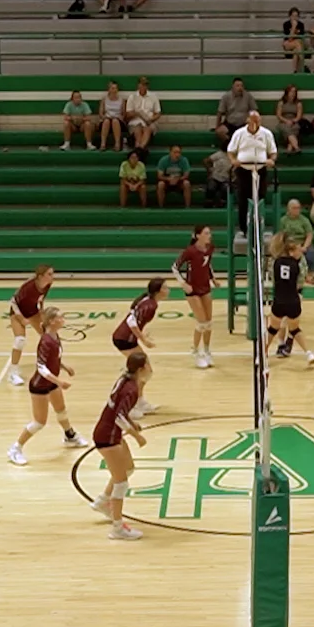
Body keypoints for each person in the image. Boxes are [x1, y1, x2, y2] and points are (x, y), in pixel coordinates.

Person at [7, 307, 93, 463]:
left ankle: (70, 436)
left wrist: (64, 367)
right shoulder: (46, 341)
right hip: (40, 386)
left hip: (51, 382)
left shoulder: (54, 336)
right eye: (60, 317)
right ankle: (15, 448)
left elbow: (53, 359)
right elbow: (41, 367)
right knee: (39, 422)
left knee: (61, 411)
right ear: (52, 321)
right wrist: (59, 382)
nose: (63, 319)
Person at [89, 349, 151, 540]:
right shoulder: (132, 389)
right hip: (107, 436)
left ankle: (102, 501)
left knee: (128, 468)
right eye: (148, 365)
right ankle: (118, 528)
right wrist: (137, 436)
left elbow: (118, 410)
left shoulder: (124, 379)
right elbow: (119, 418)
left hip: (109, 431)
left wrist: (132, 423)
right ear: (141, 369)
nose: (150, 368)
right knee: (121, 482)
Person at [111, 278, 167, 416]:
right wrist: (144, 340)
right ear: (158, 291)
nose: (168, 290)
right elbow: (131, 321)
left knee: (145, 371)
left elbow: (134, 317)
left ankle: (139, 401)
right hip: (124, 339)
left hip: (126, 338)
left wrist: (142, 334)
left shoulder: (148, 301)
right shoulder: (150, 305)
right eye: (165, 288)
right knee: (143, 371)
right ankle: (130, 406)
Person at [265, 238, 314, 366]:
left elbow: (273, 278)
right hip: (293, 301)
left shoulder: (276, 262)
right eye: (298, 249)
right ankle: (308, 353)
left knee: (272, 329)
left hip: (279, 300)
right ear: (291, 251)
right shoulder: (296, 265)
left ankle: (262, 353)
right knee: (295, 329)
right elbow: (299, 282)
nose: (301, 252)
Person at [229, 110, 277, 240]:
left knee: (260, 198)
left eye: (258, 120)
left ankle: (259, 227)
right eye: (253, 120)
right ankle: (244, 229)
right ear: (248, 120)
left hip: (260, 169)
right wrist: (233, 161)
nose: (256, 123)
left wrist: (271, 160)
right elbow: (231, 151)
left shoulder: (267, 134)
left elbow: (273, 152)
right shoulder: (239, 133)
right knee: (243, 199)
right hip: (244, 170)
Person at [175, 226, 217, 368]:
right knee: (202, 322)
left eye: (209, 233)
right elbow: (174, 267)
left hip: (205, 287)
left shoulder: (210, 248)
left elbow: (208, 264)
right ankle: (195, 351)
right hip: (192, 290)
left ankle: (207, 351)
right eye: (206, 233)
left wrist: (213, 278)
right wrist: (183, 283)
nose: (209, 235)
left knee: (209, 322)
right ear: (198, 236)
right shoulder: (190, 251)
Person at [6, 264, 54, 386]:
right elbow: (13, 301)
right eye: (49, 274)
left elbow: (41, 299)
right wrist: (21, 318)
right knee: (20, 340)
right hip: (18, 312)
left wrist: (41, 311)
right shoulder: (29, 287)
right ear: (40, 276)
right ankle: (13, 373)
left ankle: (47, 364)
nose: (52, 276)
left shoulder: (47, 285)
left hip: (32, 311)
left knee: (47, 336)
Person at [277, 197, 314, 277]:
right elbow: (281, 235)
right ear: (289, 209)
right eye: (294, 208)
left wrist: (304, 246)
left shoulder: (304, 220)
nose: (297, 210)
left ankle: (309, 275)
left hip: (302, 243)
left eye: (298, 208)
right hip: (289, 244)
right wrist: (287, 245)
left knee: (310, 255)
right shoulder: (283, 220)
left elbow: (309, 235)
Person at [215, 78, 260, 144]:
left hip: (244, 124)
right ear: (233, 87)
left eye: (241, 86)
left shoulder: (248, 96)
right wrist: (217, 126)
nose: (240, 88)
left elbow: (255, 111)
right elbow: (220, 112)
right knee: (219, 131)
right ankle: (230, 144)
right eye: (237, 86)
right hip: (230, 123)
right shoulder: (226, 97)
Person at [125, 76, 162, 149]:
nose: (144, 87)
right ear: (138, 85)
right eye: (142, 84)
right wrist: (138, 113)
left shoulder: (153, 97)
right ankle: (139, 148)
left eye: (145, 85)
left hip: (149, 121)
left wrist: (151, 119)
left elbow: (158, 113)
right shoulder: (132, 97)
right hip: (135, 121)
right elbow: (128, 113)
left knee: (147, 129)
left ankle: (139, 148)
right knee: (137, 129)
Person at [276, 84, 304, 154]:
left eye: (294, 92)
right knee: (285, 128)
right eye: (291, 92)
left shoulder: (298, 104)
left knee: (295, 128)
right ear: (287, 92)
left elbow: (299, 116)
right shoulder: (281, 103)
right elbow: (279, 115)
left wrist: (293, 121)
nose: (293, 94)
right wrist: (286, 121)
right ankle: (296, 147)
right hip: (283, 121)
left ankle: (290, 148)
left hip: (294, 122)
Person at [98, 80, 126, 151]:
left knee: (115, 121)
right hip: (106, 119)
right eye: (112, 88)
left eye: (116, 88)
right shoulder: (104, 100)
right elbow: (101, 113)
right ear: (109, 89)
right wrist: (104, 117)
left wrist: (120, 117)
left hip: (118, 121)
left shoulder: (122, 100)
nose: (114, 90)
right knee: (106, 121)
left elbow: (123, 114)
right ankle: (103, 144)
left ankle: (117, 144)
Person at [204, 141, 234, 208]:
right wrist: (209, 170)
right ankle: (209, 203)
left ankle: (222, 204)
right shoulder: (219, 154)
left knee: (225, 188)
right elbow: (206, 161)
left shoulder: (234, 156)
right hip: (215, 177)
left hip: (227, 179)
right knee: (211, 187)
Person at [282, 8, 309, 72]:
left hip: (298, 44)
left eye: (296, 16)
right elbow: (289, 39)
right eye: (293, 16)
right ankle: (304, 64)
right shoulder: (286, 24)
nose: (294, 18)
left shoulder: (301, 25)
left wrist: (293, 36)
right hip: (288, 44)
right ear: (290, 16)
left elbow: (301, 38)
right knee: (296, 43)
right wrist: (294, 27)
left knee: (296, 49)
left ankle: (294, 71)